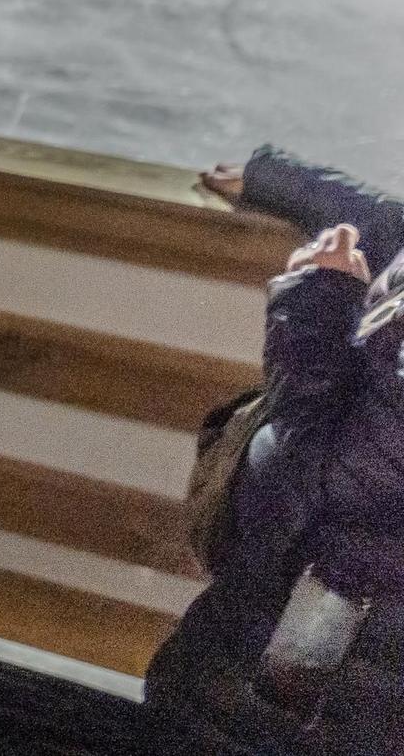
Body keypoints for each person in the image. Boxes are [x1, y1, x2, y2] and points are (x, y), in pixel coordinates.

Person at [146, 148, 404, 754]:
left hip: (291, 694)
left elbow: (287, 494)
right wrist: (271, 179)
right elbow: (387, 222)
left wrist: (312, 313)